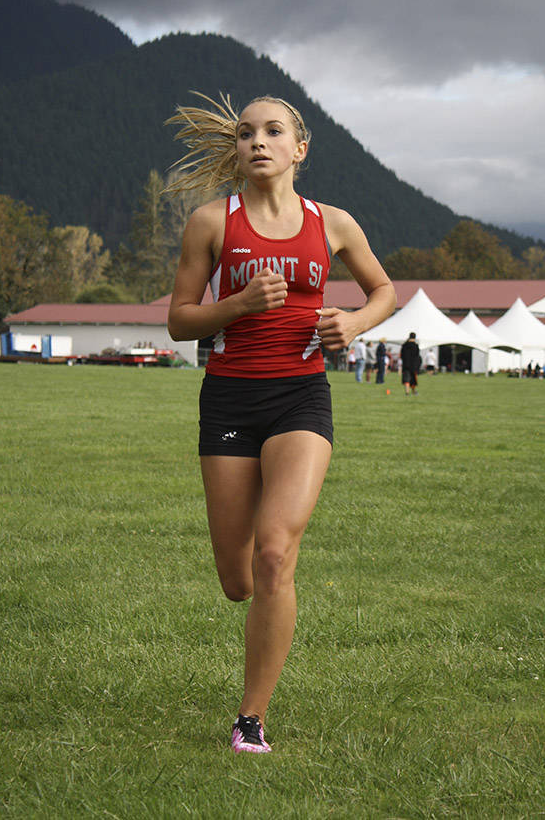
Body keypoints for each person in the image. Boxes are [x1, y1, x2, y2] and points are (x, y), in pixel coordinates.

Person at [166, 93, 396, 753]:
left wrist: (351, 322)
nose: (257, 142)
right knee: (238, 579)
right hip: (230, 401)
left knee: (275, 554)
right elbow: (180, 319)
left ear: (300, 148)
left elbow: (384, 291)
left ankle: (251, 719)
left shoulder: (333, 224)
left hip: (301, 397)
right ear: (237, 152)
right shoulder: (212, 223)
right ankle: (250, 585)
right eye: (245, 134)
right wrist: (236, 304)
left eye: (273, 131)